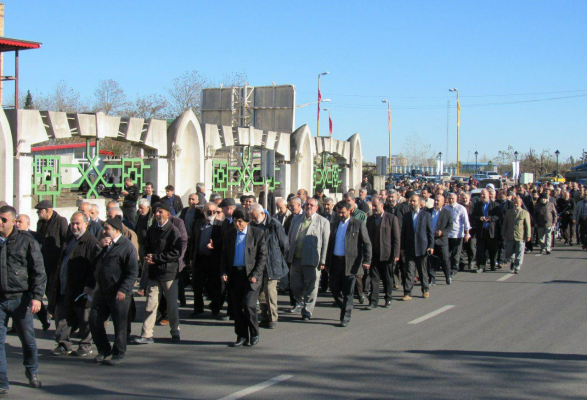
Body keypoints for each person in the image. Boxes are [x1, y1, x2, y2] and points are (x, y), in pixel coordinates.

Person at [0, 205, 46, 393]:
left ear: (13, 221)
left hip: (22, 299)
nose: (0, 223)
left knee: (27, 339)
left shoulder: (26, 241)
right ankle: (2, 382)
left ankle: (32, 370)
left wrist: (36, 297)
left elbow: (38, 271)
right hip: (1, 299)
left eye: (3, 219)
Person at [89, 218, 138, 365]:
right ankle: (104, 350)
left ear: (117, 230)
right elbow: (91, 261)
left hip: (118, 292)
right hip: (102, 290)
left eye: (107, 228)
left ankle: (118, 353)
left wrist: (124, 289)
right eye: (104, 228)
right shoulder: (104, 243)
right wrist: (98, 246)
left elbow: (133, 272)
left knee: (120, 325)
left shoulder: (127, 246)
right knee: (94, 320)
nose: (104, 231)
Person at [50, 211, 98, 357]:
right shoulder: (69, 239)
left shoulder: (91, 242)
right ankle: (63, 345)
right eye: (73, 223)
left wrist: (89, 286)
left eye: (78, 223)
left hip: (81, 288)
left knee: (84, 319)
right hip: (64, 286)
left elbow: (94, 266)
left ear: (86, 224)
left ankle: (85, 345)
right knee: (62, 318)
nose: (74, 226)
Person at [134, 203, 183, 344]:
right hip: (154, 274)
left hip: (169, 274)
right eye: (156, 211)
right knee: (150, 304)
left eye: (160, 212)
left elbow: (176, 253)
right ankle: (146, 334)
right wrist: (148, 256)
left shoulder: (173, 231)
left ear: (168, 214)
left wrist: (156, 258)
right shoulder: (152, 229)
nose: (157, 214)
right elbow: (147, 245)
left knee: (172, 305)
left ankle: (175, 331)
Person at [220, 209, 266, 347]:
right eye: (235, 221)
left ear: (247, 221)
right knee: (237, 307)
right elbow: (224, 255)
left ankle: (254, 333)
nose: (237, 224)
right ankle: (241, 335)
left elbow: (262, 257)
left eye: (240, 221)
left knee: (248, 304)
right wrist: (223, 271)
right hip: (235, 275)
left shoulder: (257, 234)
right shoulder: (230, 234)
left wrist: (256, 275)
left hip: (250, 276)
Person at [326, 201, 371, 327]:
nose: (340, 214)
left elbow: (367, 243)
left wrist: (367, 260)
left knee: (348, 292)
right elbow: (329, 245)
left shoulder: (358, 224)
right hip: (335, 262)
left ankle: (345, 315)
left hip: (350, 263)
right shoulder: (334, 225)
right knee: (334, 289)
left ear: (349, 211)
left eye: (343, 212)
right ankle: (344, 307)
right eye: (338, 212)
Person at [286, 198, 329, 321]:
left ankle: (307, 311)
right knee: (295, 285)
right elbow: (290, 237)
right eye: (307, 205)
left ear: (316, 207)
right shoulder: (296, 219)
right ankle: (300, 301)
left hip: (312, 259)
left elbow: (326, 242)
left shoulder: (323, 222)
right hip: (295, 258)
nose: (308, 207)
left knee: (312, 286)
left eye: (311, 205)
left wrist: (323, 261)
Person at [251, 204, 289, 328]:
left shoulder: (274, 224)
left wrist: (278, 257)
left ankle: (273, 317)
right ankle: (264, 315)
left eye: (255, 216)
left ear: (262, 214)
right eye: (252, 217)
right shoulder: (253, 225)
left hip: (272, 261)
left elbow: (284, 244)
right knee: (260, 290)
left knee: (270, 290)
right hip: (258, 262)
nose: (254, 219)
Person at [189, 202, 225, 319]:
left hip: (213, 259)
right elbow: (193, 241)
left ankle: (215, 309)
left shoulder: (220, 225)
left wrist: (215, 245)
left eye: (214, 212)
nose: (211, 214)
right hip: (200, 258)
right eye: (209, 211)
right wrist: (190, 258)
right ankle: (198, 309)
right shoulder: (198, 223)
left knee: (215, 285)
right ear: (204, 211)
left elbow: (223, 242)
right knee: (197, 285)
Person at [365, 197, 400, 309]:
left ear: (382, 205)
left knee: (387, 278)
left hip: (386, 253)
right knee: (373, 278)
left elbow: (396, 238)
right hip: (373, 254)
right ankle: (373, 301)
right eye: (373, 206)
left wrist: (396, 253)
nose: (374, 208)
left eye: (376, 206)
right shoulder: (370, 220)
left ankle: (388, 298)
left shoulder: (391, 218)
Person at [400, 195, 434, 300]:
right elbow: (404, 232)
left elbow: (430, 232)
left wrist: (431, 245)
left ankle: (425, 290)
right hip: (410, 248)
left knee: (422, 270)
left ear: (419, 203)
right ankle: (407, 292)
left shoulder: (425, 215)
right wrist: (402, 248)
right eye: (410, 201)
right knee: (409, 271)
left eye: (414, 201)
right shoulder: (406, 216)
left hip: (422, 248)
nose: (412, 203)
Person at [472, 189, 502, 272]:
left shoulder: (495, 205)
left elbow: (498, 216)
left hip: (491, 231)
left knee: (492, 249)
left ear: (488, 195)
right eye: (481, 194)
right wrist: (479, 218)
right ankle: (481, 266)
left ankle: (492, 265)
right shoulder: (477, 205)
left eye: (484, 194)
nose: (482, 196)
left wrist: (490, 218)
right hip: (481, 231)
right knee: (481, 250)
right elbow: (473, 216)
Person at [427, 195, 453, 285]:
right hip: (431, 240)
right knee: (431, 260)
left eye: (438, 201)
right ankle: (432, 279)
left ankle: (448, 276)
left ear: (443, 202)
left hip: (442, 240)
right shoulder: (428, 212)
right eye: (435, 200)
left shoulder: (447, 213)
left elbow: (450, 226)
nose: (436, 202)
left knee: (445, 259)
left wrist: (442, 232)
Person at [501, 196, 532, 273]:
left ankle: (517, 266)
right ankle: (512, 261)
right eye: (514, 203)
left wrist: (528, 235)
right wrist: (503, 233)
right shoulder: (508, 212)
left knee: (519, 252)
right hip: (510, 235)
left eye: (517, 203)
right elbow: (504, 224)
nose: (515, 204)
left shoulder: (525, 213)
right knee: (509, 252)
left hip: (520, 236)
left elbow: (528, 225)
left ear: (521, 203)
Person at [445, 193, 471, 276]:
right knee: (447, 254)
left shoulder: (461, 208)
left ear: (456, 199)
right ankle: (448, 269)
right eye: (449, 198)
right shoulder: (445, 208)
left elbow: (466, 222)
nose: (451, 200)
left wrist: (467, 234)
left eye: (452, 198)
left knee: (456, 254)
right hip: (447, 235)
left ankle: (454, 268)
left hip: (458, 235)